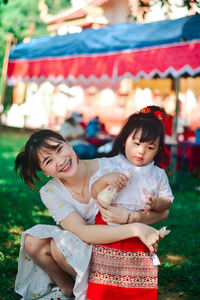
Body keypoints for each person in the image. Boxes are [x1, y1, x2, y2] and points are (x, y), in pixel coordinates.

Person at [14, 129, 166, 300]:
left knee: (58, 248)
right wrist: (136, 228)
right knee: (34, 241)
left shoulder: (110, 167)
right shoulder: (50, 191)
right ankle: (68, 289)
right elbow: (84, 232)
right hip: (90, 242)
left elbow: (163, 212)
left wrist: (133, 219)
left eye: (59, 149)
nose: (60, 161)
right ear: (45, 172)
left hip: (118, 247)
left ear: (68, 143)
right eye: (49, 161)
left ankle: (91, 290)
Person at [87, 106, 173, 300]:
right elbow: (94, 191)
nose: (141, 151)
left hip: (139, 228)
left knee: (138, 270)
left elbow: (167, 201)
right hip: (108, 226)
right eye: (136, 143)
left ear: (159, 149)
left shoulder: (157, 174)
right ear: (124, 139)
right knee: (104, 272)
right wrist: (106, 180)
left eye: (150, 147)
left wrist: (155, 202)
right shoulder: (112, 164)